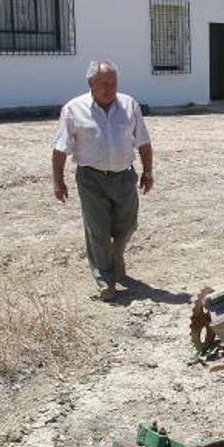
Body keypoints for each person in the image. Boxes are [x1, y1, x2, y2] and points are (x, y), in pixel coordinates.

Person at [52, 61, 154, 299]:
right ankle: (105, 280)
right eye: (104, 84)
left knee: (128, 225)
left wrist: (148, 172)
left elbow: (144, 143)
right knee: (97, 231)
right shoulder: (73, 109)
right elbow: (59, 149)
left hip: (124, 176)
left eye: (113, 83)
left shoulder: (129, 105)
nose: (110, 89)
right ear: (91, 84)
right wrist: (58, 181)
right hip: (91, 178)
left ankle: (115, 255)